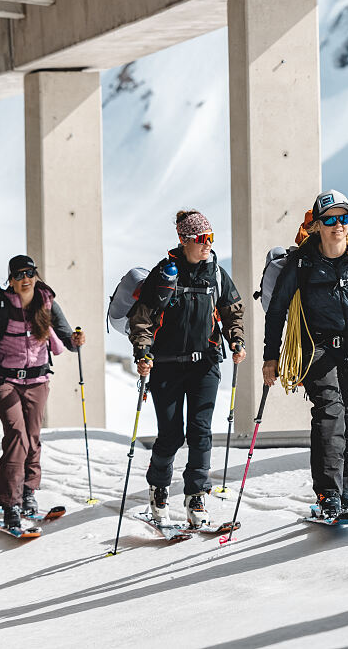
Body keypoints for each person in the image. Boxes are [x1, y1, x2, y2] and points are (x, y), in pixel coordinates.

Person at [262, 190, 348, 519]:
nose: (338, 225)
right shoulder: (302, 262)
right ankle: (328, 494)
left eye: (343, 218)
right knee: (330, 413)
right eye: (329, 220)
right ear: (318, 225)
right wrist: (271, 357)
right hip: (317, 347)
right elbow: (277, 311)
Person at [129, 210, 246, 528]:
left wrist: (236, 340)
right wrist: (143, 351)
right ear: (184, 240)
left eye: (211, 238)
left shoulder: (216, 274)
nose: (208, 244)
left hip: (205, 364)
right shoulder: (164, 273)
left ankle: (196, 495)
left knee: (201, 433)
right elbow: (141, 319)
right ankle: (158, 489)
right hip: (166, 367)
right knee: (170, 435)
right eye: (202, 239)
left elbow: (232, 311)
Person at [0, 254, 85, 530]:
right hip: (5, 381)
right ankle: (10, 504)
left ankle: (28, 494)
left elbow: (67, 340)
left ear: (35, 275)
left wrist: (75, 340)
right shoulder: (1, 309)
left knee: (33, 437)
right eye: (19, 275)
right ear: (11, 281)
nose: (25, 279)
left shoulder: (47, 305)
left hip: (38, 381)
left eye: (29, 273)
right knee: (17, 436)